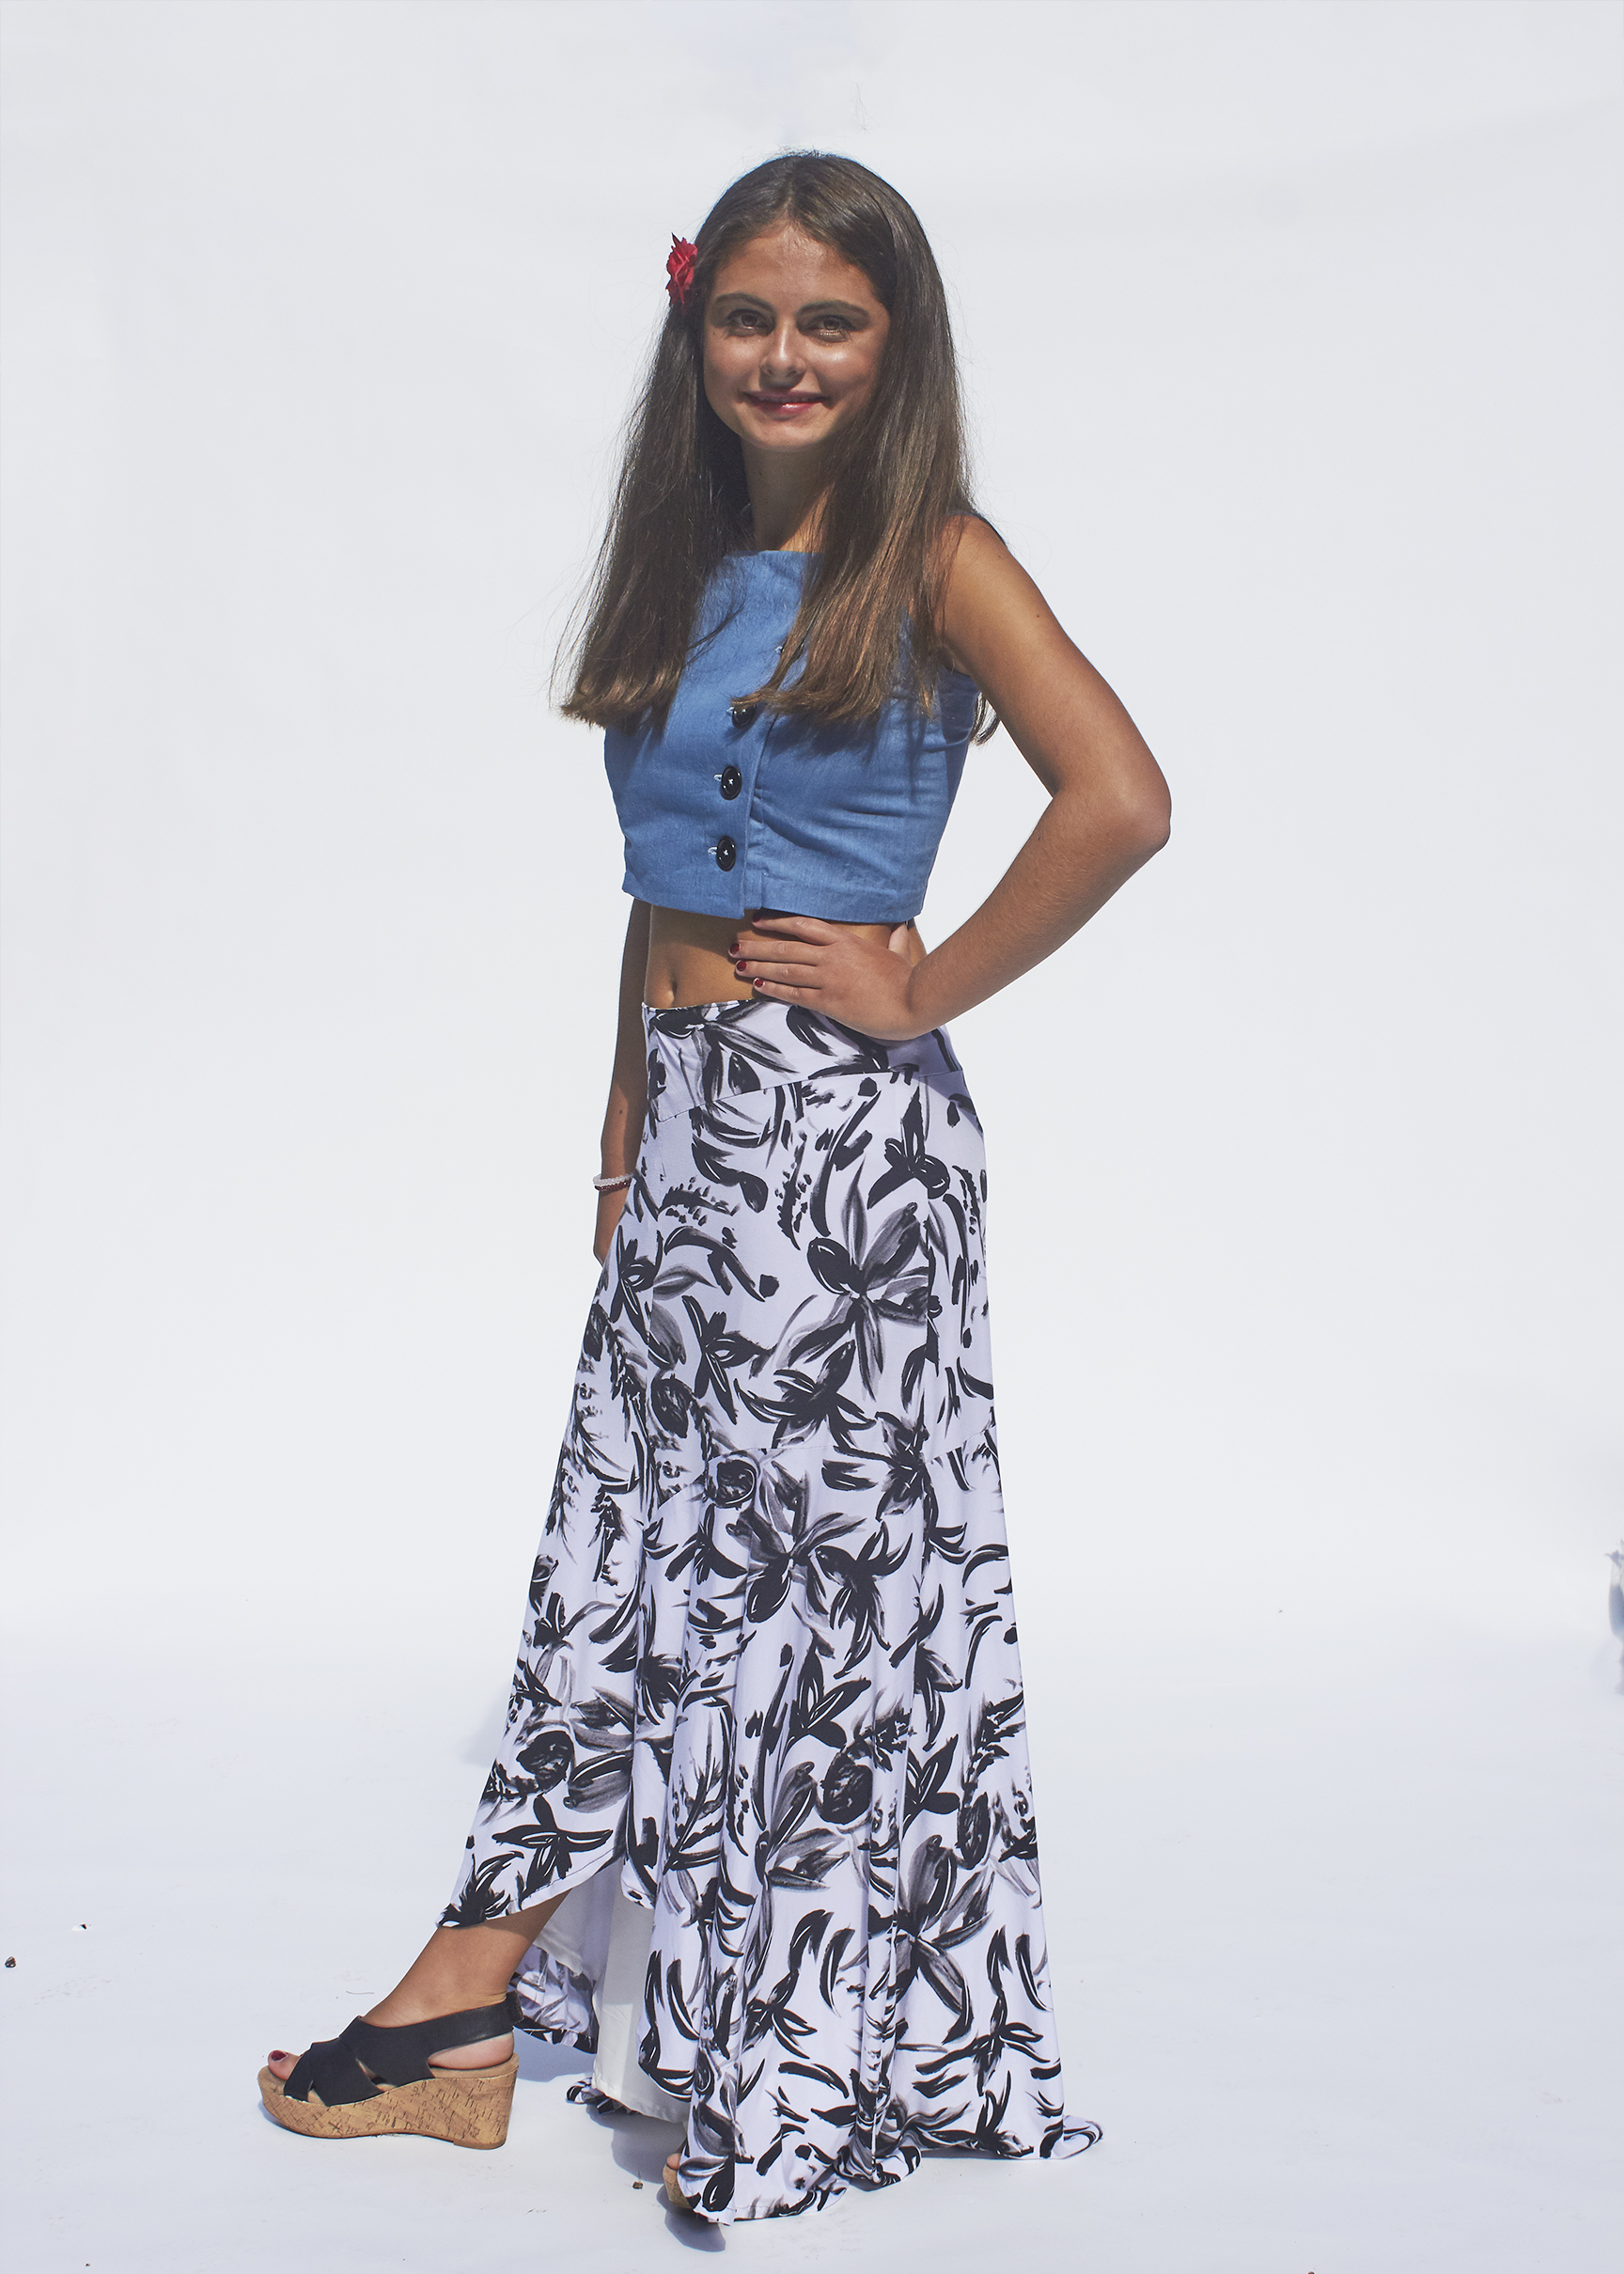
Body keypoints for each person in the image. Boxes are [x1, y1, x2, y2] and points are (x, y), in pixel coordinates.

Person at [259, 150, 1169, 2224]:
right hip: (689, 1136)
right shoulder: (676, 561)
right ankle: (529, 2011)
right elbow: (652, 897)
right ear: (699, 332)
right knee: (635, 1566)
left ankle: (642, 2027)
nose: (783, 354)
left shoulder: (936, 555)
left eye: (829, 321)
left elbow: (1124, 797)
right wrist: (615, 1135)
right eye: (749, 316)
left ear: (894, 345)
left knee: (774, 1606)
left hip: (839, 1159)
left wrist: (922, 976)